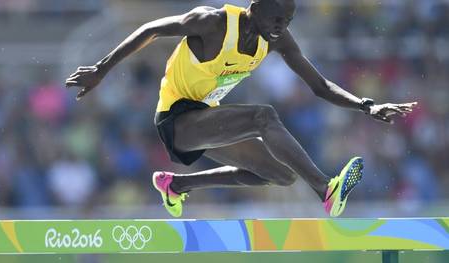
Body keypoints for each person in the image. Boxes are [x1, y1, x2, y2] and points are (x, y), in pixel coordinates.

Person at [65, 0, 417, 218]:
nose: (281, 28)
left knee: (281, 174)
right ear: (256, 6)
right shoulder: (213, 22)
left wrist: (367, 105)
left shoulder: (275, 40)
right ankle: (326, 190)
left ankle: (177, 186)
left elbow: (320, 86)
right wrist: (101, 70)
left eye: (288, 22)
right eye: (278, 17)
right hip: (176, 118)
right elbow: (151, 29)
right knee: (262, 116)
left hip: (208, 116)